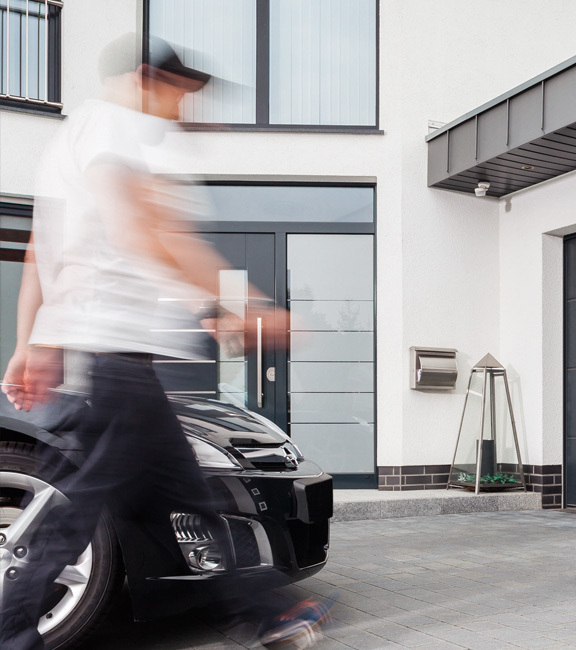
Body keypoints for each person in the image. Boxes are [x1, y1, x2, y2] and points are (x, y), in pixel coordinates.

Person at [0, 35, 332, 649]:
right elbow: (145, 231)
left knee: (175, 491)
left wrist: (30, 343)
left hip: (109, 356)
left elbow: (40, 255)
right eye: (184, 95)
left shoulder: (74, 137)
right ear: (150, 79)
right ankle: (11, 631)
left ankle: (262, 615)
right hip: (113, 356)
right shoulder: (120, 131)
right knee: (88, 500)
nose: (187, 111)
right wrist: (238, 303)